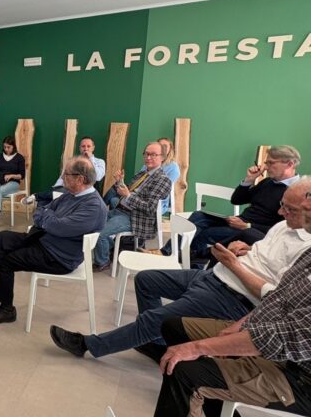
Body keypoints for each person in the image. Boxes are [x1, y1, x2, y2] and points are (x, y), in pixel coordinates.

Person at [49, 179, 311, 367]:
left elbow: (273, 297)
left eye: (289, 208)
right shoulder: (283, 226)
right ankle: (157, 343)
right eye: (282, 205)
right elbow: (267, 255)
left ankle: (89, 345)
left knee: (154, 318)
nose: (280, 212)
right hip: (215, 276)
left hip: (235, 297)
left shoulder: (306, 250)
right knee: (146, 280)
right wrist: (246, 248)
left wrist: (235, 265)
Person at [143, 187, 311, 417]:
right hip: (274, 342)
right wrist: (241, 325)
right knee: (175, 328)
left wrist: (199, 348)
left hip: (299, 376)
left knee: (185, 371)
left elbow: (290, 336)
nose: (281, 212)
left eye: (294, 207)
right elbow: (280, 298)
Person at [0, 157, 107, 324]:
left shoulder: (93, 207)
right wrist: (48, 217)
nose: (63, 177)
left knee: (5, 261)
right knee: (3, 237)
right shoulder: (71, 195)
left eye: (66, 174)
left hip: (59, 257)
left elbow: (57, 226)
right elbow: (42, 210)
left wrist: (48, 217)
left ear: (80, 179)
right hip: (44, 240)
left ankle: (6, 310)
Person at [166, 145, 301, 257]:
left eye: (271, 163)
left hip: (253, 231)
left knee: (205, 234)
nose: (265, 167)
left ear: (290, 164)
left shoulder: (296, 192)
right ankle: (169, 252)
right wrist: (249, 180)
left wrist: (248, 226)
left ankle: (190, 261)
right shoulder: (268, 182)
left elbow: (284, 228)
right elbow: (236, 200)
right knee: (198, 216)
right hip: (240, 222)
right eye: (266, 162)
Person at [92, 141, 172, 271]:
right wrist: (120, 182)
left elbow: (150, 207)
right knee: (92, 222)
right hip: (120, 210)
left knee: (100, 233)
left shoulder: (163, 180)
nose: (148, 157)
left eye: (153, 155)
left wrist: (128, 196)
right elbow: (128, 191)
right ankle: (110, 248)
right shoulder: (143, 174)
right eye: (146, 154)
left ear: (162, 157)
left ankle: (103, 262)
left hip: (135, 217)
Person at [22, 136, 105, 207]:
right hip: (66, 188)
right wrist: (56, 187)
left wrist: (90, 159)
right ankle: (42, 206)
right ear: (80, 148)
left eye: (88, 146)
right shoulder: (73, 161)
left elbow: (98, 177)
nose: (86, 149)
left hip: (82, 190)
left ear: (93, 148)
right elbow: (63, 177)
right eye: (83, 146)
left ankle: (36, 196)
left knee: (56, 196)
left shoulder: (99, 162)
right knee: (43, 203)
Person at [0, 136, 26, 228]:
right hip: (0, 181)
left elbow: (22, 176)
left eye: (8, 147)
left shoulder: (19, 158)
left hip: (14, 183)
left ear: (13, 146)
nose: (6, 149)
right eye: (4, 147)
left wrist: (11, 176)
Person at [143, 137, 180, 214]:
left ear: (170, 150)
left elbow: (163, 188)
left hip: (156, 199)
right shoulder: (150, 162)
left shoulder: (173, 167)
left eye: (165, 146)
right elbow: (139, 180)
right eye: (160, 145)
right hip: (140, 193)